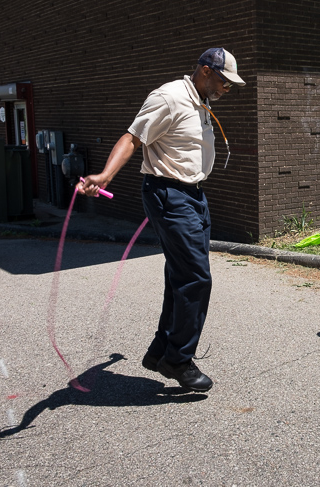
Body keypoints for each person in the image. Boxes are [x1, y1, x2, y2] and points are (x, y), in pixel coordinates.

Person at [78, 48, 245, 392]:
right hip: (170, 194)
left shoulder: (199, 100)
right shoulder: (169, 97)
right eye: (223, 82)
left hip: (194, 195)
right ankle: (178, 360)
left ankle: (159, 352)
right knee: (196, 278)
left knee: (180, 275)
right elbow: (132, 136)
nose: (226, 89)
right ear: (204, 70)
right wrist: (106, 175)